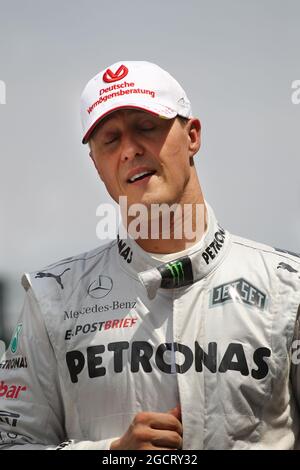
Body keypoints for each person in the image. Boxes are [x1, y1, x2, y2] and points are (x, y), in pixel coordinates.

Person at [0, 60, 300, 451]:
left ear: (192, 135)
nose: (129, 150)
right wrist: (110, 456)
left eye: (146, 127)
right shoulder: (51, 298)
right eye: (110, 139)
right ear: (96, 165)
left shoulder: (287, 287)